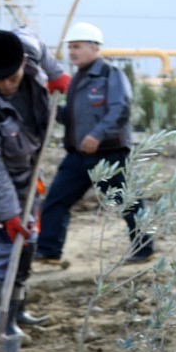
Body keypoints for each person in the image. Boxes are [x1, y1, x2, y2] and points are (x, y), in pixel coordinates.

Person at [0, 30, 67, 335]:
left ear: (22, 61)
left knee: (29, 243)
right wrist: (8, 214)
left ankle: (19, 310)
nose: (7, 85)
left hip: (29, 170)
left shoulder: (27, 51)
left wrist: (57, 75)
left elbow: (37, 41)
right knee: (11, 246)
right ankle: (2, 320)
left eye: (12, 76)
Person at [36, 22, 153, 268]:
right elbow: (74, 117)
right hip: (79, 155)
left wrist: (97, 135)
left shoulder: (111, 75)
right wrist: (51, 107)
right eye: (70, 48)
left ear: (93, 47)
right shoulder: (77, 79)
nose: (72, 53)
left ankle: (144, 248)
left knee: (128, 201)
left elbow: (120, 109)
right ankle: (48, 251)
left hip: (110, 153)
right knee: (56, 200)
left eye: (76, 47)